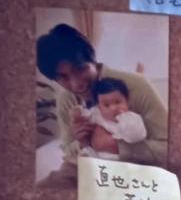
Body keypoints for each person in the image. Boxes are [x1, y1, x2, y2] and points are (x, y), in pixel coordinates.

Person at [36, 24, 169, 186]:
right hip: (85, 167)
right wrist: (82, 141)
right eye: (63, 77)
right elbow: (67, 148)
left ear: (92, 58)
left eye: (80, 68)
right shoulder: (65, 100)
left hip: (135, 169)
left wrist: (117, 147)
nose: (76, 84)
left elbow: (169, 147)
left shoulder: (136, 85)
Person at [74, 78, 147, 161]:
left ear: (126, 102)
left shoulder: (132, 118)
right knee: (86, 153)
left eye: (118, 102)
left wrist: (124, 117)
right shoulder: (97, 114)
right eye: (106, 105)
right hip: (96, 156)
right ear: (99, 107)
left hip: (119, 158)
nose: (113, 108)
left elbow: (136, 137)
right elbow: (86, 116)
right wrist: (79, 112)